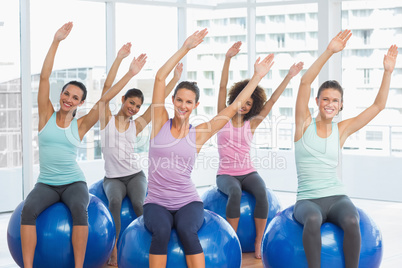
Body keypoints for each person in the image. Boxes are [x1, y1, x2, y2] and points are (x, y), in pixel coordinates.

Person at [143, 28, 274, 268]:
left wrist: (257, 77)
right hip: (156, 202)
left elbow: (234, 106)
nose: (183, 105)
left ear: (195, 105)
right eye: (179, 100)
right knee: (161, 231)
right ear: (173, 101)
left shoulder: (199, 133)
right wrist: (185, 48)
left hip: (187, 201)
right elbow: (160, 78)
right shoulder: (159, 122)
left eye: (188, 101)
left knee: (186, 231)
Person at [19, 22, 145, 268]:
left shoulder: (82, 125)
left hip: (73, 182)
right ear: (61, 94)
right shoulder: (46, 116)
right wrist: (56, 41)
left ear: (80, 102)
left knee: (80, 210)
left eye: (75, 97)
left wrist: (129, 73)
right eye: (66, 94)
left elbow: (107, 96)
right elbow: (44, 77)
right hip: (46, 182)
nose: (68, 99)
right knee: (28, 211)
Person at [293, 29, 398, 268]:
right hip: (308, 199)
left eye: (335, 101)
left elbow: (378, 105)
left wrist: (388, 72)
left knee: (352, 219)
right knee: (311, 219)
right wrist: (329, 51)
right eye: (326, 99)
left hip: (336, 196)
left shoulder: (342, 130)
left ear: (341, 106)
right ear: (317, 102)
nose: (330, 104)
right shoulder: (304, 124)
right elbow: (305, 81)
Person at [216, 41, 303, 259]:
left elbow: (272, 100)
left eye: (248, 104)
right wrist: (227, 59)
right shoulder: (222, 117)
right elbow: (221, 87)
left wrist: (289, 76)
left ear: (252, 106)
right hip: (225, 174)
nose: (244, 106)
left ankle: (258, 241)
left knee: (262, 193)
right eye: (241, 101)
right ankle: (232, 240)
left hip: (248, 171)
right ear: (236, 99)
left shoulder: (251, 123)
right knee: (234, 192)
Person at [99, 42, 183, 267]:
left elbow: (157, 103)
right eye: (131, 102)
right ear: (124, 100)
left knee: (139, 204)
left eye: (137, 106)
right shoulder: (105, 119)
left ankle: (145, 247)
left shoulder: (135, 125)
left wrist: (174, 79)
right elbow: (107, 89)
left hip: (135, 174)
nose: (134, 108)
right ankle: (114, 251)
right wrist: (121, 62)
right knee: (115, 202)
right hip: (113, 178)